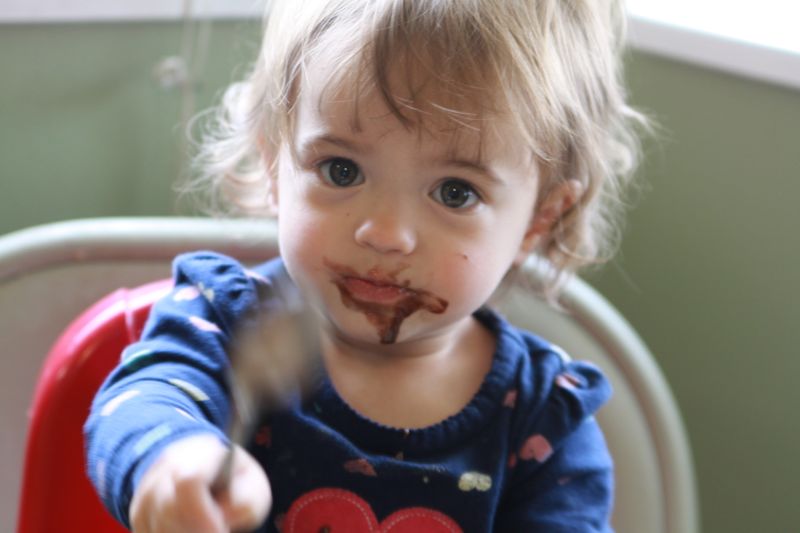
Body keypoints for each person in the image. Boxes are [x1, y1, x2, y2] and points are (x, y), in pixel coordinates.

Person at [85, 0, 646, 531]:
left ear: (538, 221)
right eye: (341, 170)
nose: (384, 233)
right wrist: (175, 456)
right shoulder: (225, 324)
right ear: (276, 163)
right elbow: (146, 398)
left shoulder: (543, 429)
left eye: (454, 192)